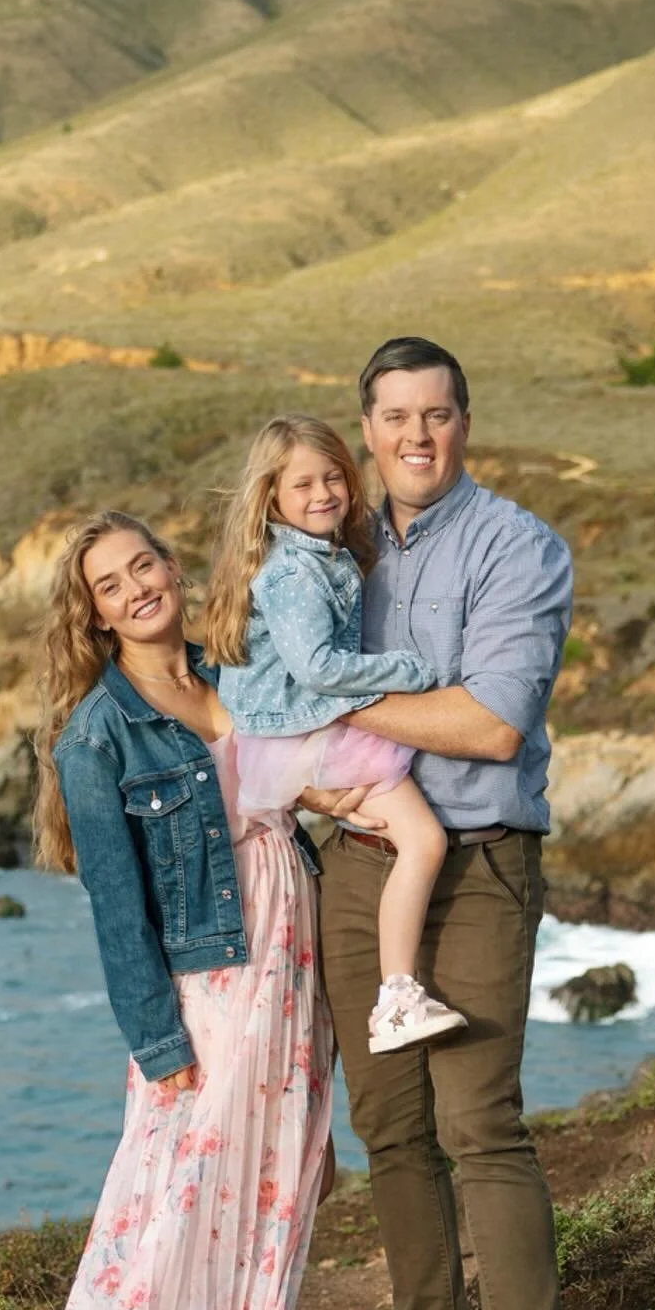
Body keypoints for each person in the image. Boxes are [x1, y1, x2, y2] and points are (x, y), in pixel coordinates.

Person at [302, 336, 578, 1310]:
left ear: (466, 424)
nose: (417, 436)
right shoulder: (337, 550)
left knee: (479, 1123)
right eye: (396, 416)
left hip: (476, 865)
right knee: (390, 1128)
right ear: (365, 429)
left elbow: (493, 725)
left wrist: (346, 705)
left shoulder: (519, 547)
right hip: (357, 865)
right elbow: (283, 682)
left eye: (438, 415)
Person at [34, 510, 333, 1310]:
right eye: (110, 586)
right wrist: (156, 1040)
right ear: (95, 617)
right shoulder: (96, 738)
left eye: (143, 565)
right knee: (183, 1171)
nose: (136, 589)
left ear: (171, 566)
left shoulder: (235, 667)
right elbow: (116, 911)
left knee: (278, 1165)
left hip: (292, 939)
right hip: (206, 971)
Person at [202, 414, 467, 1055]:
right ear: (272, 497)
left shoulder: (318, 556)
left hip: (300, 729)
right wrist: (409, 670)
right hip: (304, 733)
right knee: (425, 840)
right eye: (303, 486)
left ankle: (396, 989)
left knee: (409, 839)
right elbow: (317, 668)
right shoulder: (293, 575)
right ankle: (397, 998)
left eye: (333, 479)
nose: (322, 495)